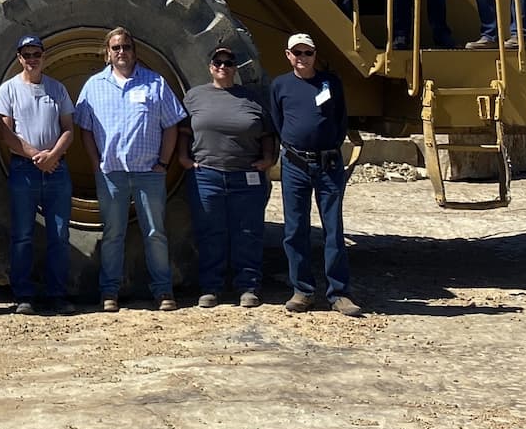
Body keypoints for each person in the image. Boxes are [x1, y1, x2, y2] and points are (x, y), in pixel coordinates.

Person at [73, 28, 184, 312]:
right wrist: (96, 161)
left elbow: (172, 125)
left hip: (149, 172)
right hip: (111, 173)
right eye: (116, 48)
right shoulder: (94, 86)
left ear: (135, 51)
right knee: (113, 234)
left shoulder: (154, 83)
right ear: (107, 53)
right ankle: (109, 291)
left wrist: (163, 162)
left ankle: (162, 290)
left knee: (155, 232)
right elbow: (84, 128)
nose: (122, 52)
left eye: (127, 47)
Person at [268, 33, 360, 316]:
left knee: (333, 230)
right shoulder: (280, 85)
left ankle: (339, 293)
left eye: (307, 53)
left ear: (314, 55)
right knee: (295, 230)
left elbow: (340, 119)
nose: (302, 58)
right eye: (297, 53)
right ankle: (302, 291)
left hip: (328, 165)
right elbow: (277, 120)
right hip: (295, 165)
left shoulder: (330, 83)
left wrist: (330, 146)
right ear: (288, 55)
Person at [178, 48, 275, 308]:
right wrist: (183, 158)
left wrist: (268, 159)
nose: (223, 66)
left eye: (228, 63)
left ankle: (248, 287)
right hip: (206, 175)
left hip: (246, 177)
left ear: (234, 68)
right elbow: (184, 131)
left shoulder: (251, 99)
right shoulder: (195, 97)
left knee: (248, 232)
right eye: (218, 62)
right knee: (210, 232)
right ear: (210, 67)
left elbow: (267, 133)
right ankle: (211, 287)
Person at [0, 34, 75, 315]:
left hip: (56, 169)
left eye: (36, 53)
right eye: (26, 54)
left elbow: (68, 129)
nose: (31, 59)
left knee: (60, 234)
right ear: (19, 58)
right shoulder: (8, 90)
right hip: (24, 170)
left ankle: (57, 294)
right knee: (23, 235)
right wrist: (34, 156)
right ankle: (24, 294)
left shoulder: (57, 89)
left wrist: (51, 156)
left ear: (44, 56)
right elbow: (5, 133)